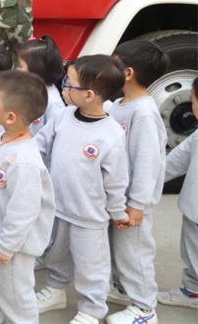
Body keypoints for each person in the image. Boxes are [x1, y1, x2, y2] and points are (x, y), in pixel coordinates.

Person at [35, 55, 130, 324]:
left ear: (89, 95)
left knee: (92, 267)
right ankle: (56, 288)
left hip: (90, 217)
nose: (63, 87)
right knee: (56, 253)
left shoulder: (111, 133)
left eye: (68, 83)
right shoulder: (63, 115)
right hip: (59, 207)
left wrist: (118, 211)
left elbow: (116, 181)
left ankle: (91, 309)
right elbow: (41, 145)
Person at [0, 70, 55, 324]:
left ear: (10, 116)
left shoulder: (25, 162)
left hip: (13, 246)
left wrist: (8, 245)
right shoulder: (4, 138)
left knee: (16, 298)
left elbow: (24, 210)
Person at [105, 40, 169, 324]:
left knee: (135, 253)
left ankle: (145, 309)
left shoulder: (142, 112)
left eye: (113, 62)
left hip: (133, 203)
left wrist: (137, 204)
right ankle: (123, 288)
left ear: (127, 73)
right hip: (120, 199)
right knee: (120, 251)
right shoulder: (119, 104)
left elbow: (147, 163)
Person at [157, 77, 198, 310]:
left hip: (196, 212)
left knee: (194, 254)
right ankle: (193, 291)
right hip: (194, 209)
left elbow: (168, 166)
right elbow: (172, 163)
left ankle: (194, 292)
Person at [18, 36, 66, 135]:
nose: (18, 69)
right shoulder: (30, 90)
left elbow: (53, 137)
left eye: (21, 66)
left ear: (36, 70)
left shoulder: (54, 104)